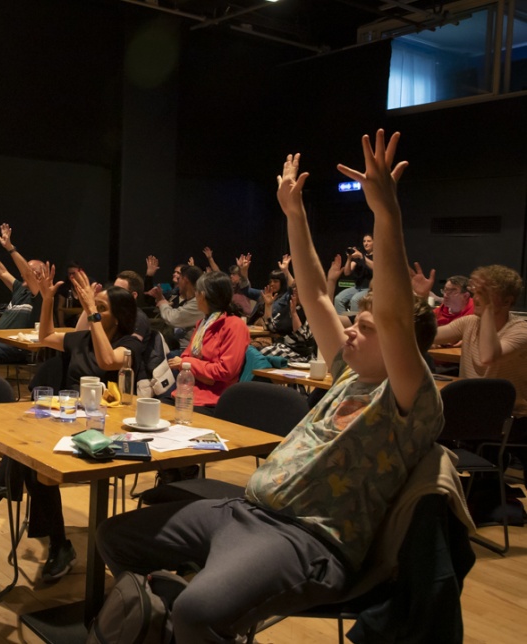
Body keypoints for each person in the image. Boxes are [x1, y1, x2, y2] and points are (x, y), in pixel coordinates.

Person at [98, 131, 441, 643]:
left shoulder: (409, 399)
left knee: (198, 610)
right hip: (245, 511)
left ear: (401, 344)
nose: (350, 329)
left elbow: (392, 318)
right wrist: (294, 216)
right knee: (116, 537)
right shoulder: (351, 374)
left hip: (306, 540)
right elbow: (317, 297)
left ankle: (191, 618)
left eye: (365, 328)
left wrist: (385, 216)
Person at [0, 264, 143, 583]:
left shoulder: (129, 344)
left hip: (106, 433)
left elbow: (107, 362)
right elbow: (46, 336)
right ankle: (55, 544)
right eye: (95, 307)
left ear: (118, 317)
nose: (94, 312)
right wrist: (47, 299)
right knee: (26, 455)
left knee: (29, 458)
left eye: (102, 309)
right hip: (67, 421)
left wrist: (90, 310)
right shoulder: (80, 340)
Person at [426, 264, 527, 461]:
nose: (477, 298)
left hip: (510, 421)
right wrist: (419, 299)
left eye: (485, 294)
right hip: (472, 417)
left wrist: (487, 309)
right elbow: (423, 335)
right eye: (477, 292)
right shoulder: (470, 322)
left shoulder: (521, 330)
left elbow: (488, 356)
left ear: (507, 301)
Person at [165, 271, 250, 411]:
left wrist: (188, 365)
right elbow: (185, 356)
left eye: (197, 292)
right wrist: (203, 373)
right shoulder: (203, 323)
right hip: (188, 392)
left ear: (202, 296)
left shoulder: (234, 325)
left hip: (212, 401)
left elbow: (225, 372)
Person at [0, 224, 44, 372]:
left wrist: (10, 248)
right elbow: (2, 271)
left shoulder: (41, 294)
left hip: (15, 346)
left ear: (41, 276)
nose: (23, 272)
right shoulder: (19, 289)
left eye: (32, 270)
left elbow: (27, 273)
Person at [147, 264, 205, 352]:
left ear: (185, 280)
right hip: (182, 346)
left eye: (179, 279)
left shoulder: (199, 302)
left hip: (189, 351)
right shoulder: (190, 299)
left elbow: (173, 318)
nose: (178, 283)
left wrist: (162, 301)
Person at [334, 234, 374, 314]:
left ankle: (355, 323)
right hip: (357, 288)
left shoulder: (377, 255)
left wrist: (361, 256)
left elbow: (376, 267)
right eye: (364, 241)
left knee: (355, 300)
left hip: (370, 289)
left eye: (369, 241)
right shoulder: (359, 256)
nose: (366, 243)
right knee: (338, 299)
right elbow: (347, 272)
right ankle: (344, 322)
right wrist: (349, 258)